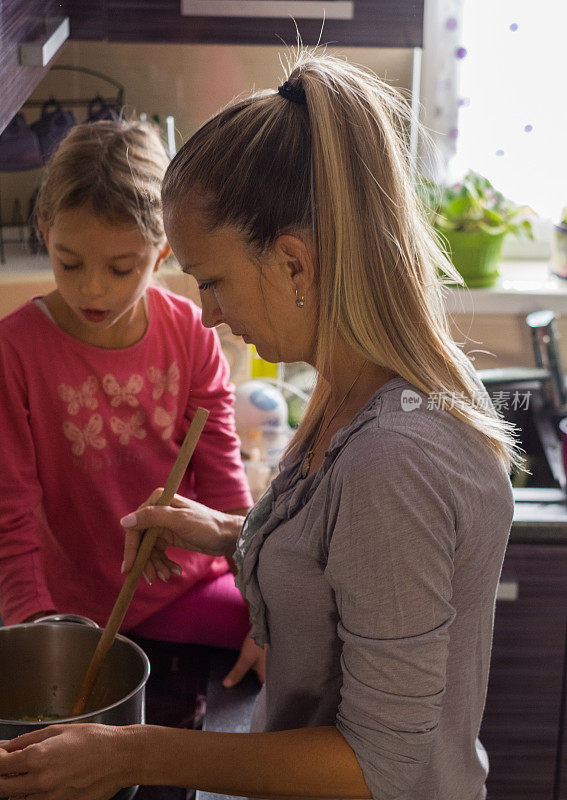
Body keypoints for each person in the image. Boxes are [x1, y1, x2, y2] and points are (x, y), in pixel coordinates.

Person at [0, 51, 517, 800]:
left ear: (294, 264)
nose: (205, 311)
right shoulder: (348, 382)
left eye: (212, 281)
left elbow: (378, 767)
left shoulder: (393, 461)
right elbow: (341, 559)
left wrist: (132, 753)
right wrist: (221, 531)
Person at [0, 119, 258, 676]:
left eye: (122, 268)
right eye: (70, 262)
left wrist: (263, 609)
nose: (92, 287)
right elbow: (9, 523)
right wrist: (37, 632)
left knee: (304, 636)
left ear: (162, 252)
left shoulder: (189, 331)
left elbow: (224, 483)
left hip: (184, 589)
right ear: (45, 231)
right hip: (70, 616)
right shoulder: (14, 352)